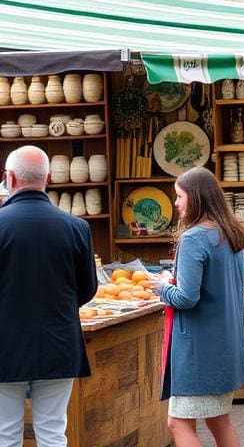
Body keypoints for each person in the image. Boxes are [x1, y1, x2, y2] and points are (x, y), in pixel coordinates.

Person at [0, 146, 97, 447]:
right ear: (49, 178)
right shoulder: (77, 228)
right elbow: (88, 289)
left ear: (9, 178)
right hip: (59, 343)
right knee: (54, 432)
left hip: (4, 344)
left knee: (5, 433)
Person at [156, 167, 244, 447]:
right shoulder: (234, 234)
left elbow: (186, 298)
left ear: (196, 198)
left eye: (179, 196)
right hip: (227, 346)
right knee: (219, 422)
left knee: (178, 424)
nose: (176, 203)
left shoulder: (193, 238)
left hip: (198, 351)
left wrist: (162, 287)